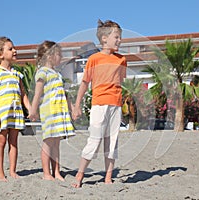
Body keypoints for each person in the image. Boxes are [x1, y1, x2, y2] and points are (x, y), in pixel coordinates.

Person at [72, 19, 127, 188]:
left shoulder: (122, 60)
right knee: (94, 141)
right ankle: (80, 174)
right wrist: (77, 105)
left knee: (112, 143)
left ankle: (108, 177)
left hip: (115, 106)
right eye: (116, 37)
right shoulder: (94, 59)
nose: (119, 40)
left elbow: (120, 82)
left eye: (120, 37)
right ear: (104, 39)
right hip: (99, 105)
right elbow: (84, 83)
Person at [29, 41, 75, 181]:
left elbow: (64, 93)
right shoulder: (42, 72)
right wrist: (33, 110)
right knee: (48, 142)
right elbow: (37, 93)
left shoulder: (57, 74)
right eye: (58, 54)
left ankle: (57, 172)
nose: (61, 57)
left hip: (59, 112)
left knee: (56, 143)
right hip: (49, 112)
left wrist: (71, 108)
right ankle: (46, 173)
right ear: (49, 56)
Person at [0, 37, 31, 182]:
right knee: (1, 141)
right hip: (3, 113)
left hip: (16, 113)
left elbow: (23, 94)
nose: (15, 51)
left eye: (14, 48)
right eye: (11, 48)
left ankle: (12, 170)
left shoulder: (17, 74)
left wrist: (30, 109)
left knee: (14, 142)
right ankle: (0, 172)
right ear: (0, 54)